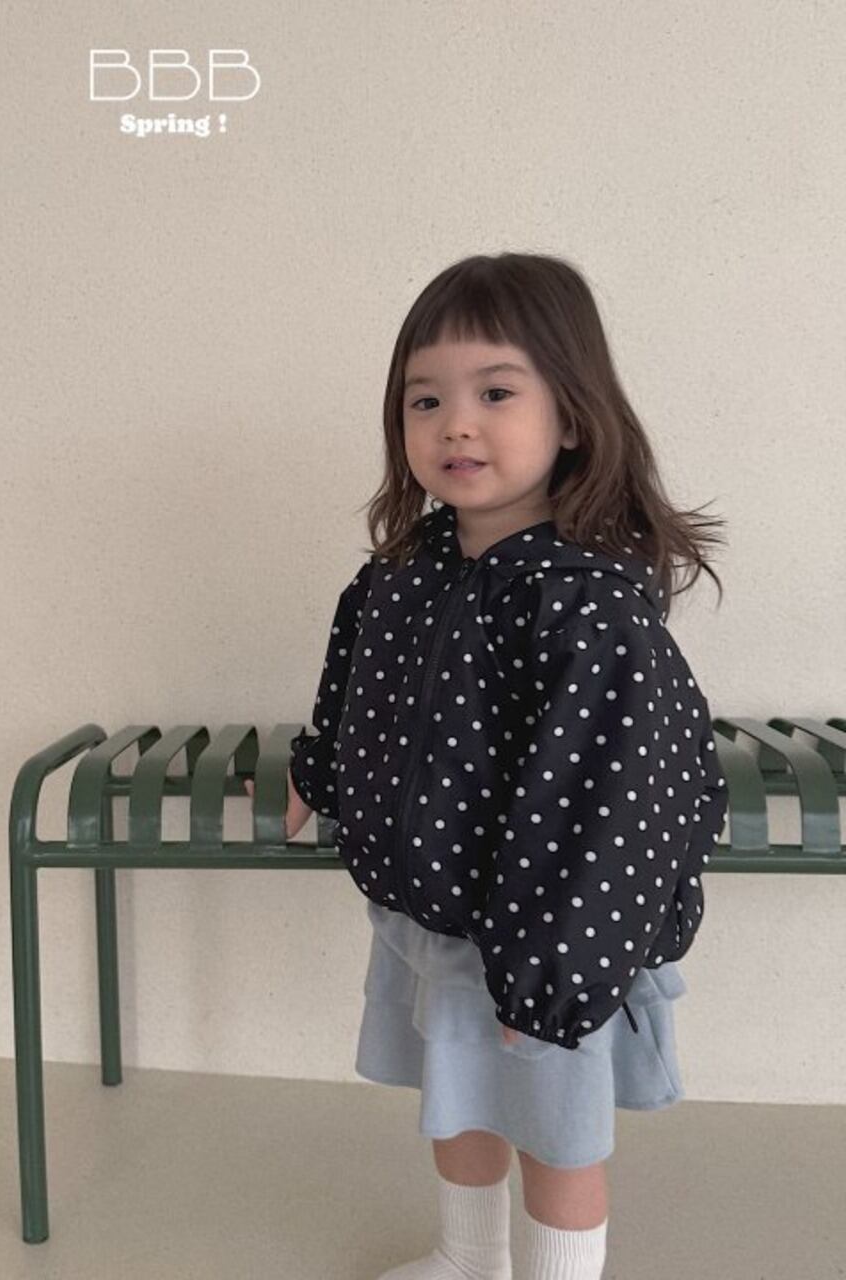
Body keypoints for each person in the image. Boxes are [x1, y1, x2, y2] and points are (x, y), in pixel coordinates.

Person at [273, 253, 729, 1280]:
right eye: (424, 399)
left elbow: (615, 803)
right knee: (460, 1107)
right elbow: (351, 693)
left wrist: (551, 978)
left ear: (570, 415)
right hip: (433, 923)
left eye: (494, 393)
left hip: (545, 941)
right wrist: (318, 771)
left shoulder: (585, 606)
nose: (455, 425)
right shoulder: (401, 574)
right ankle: (466, 1258)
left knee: (555, 1140)